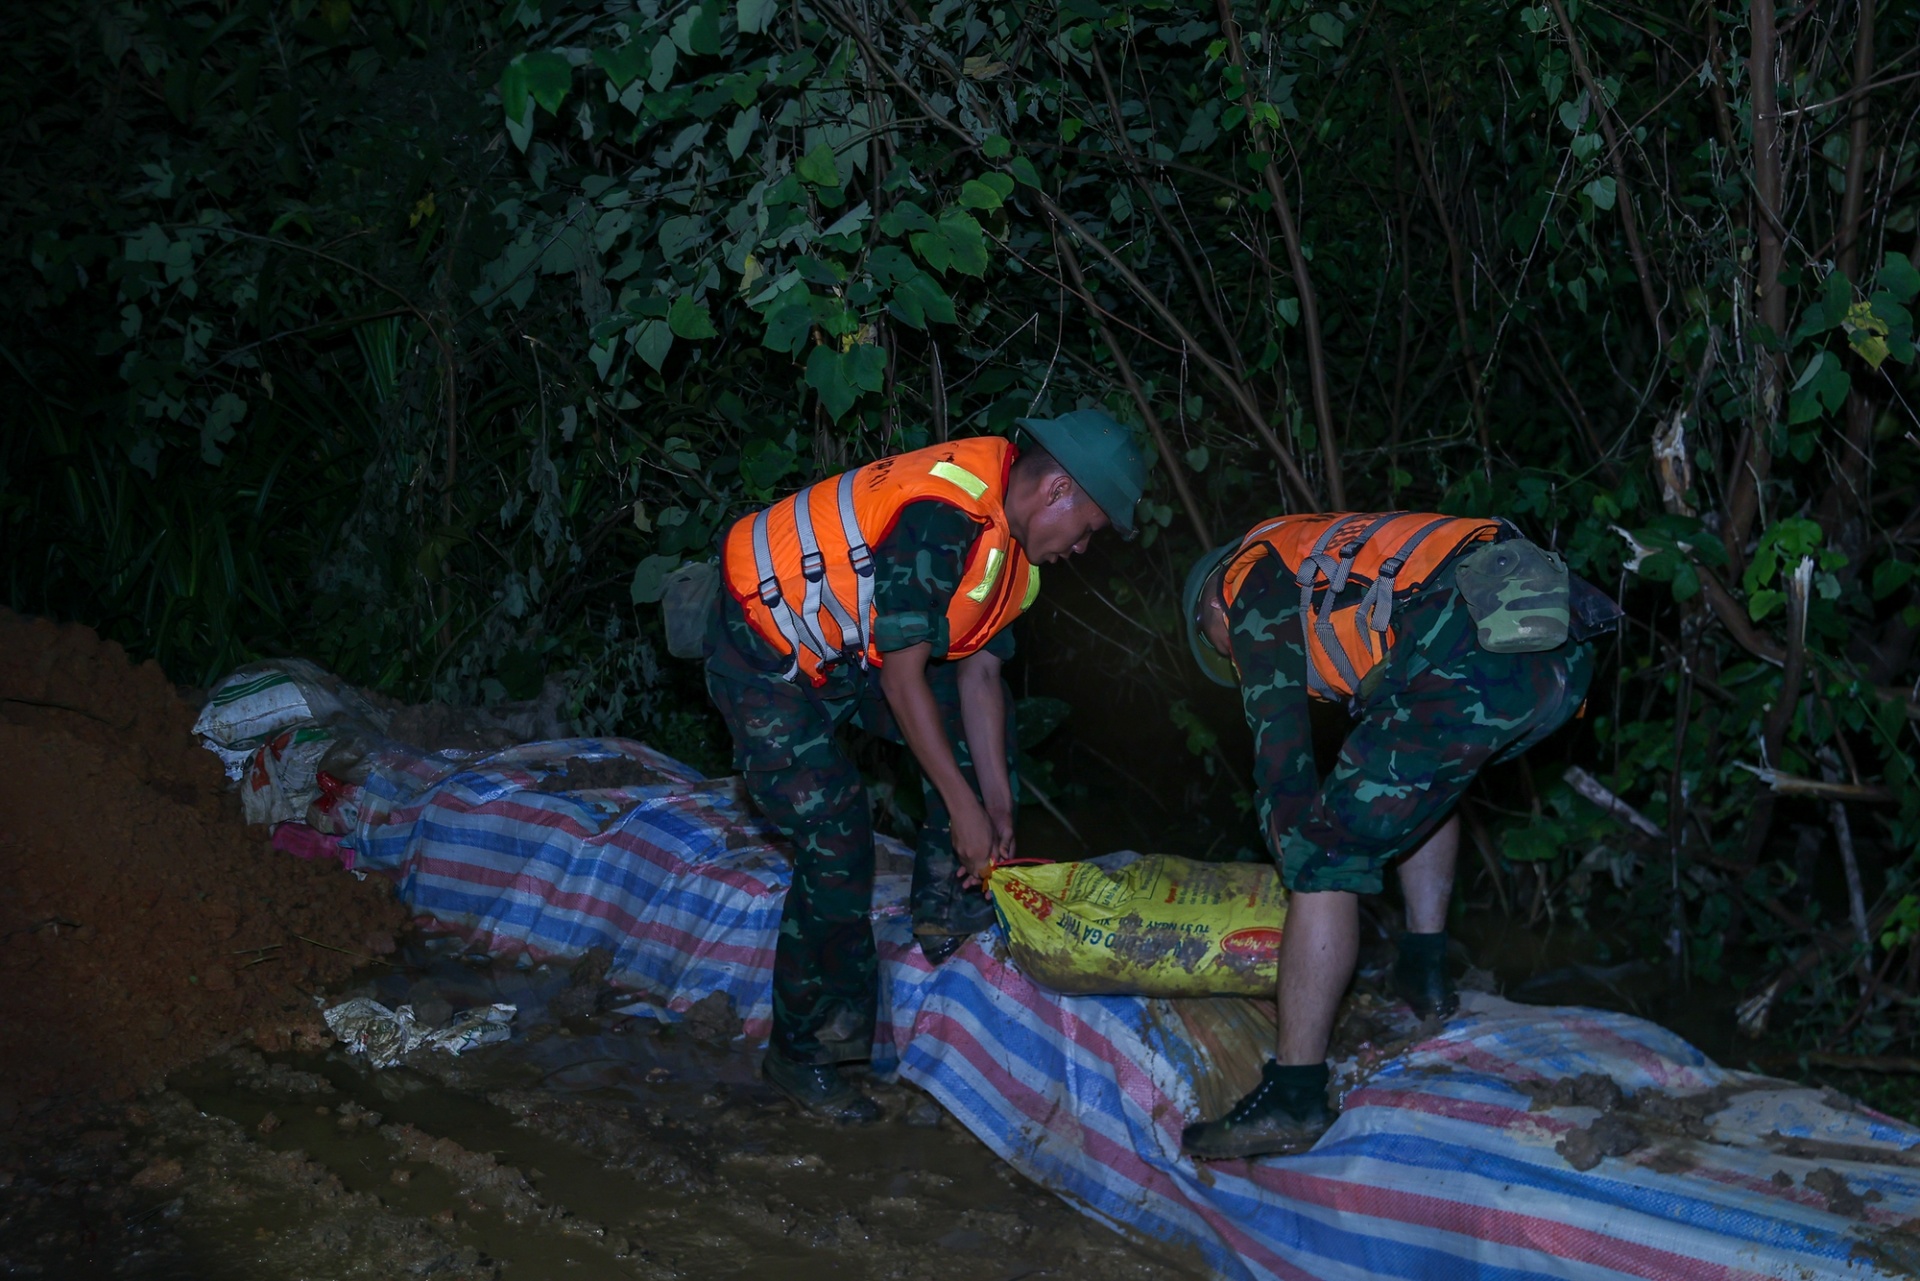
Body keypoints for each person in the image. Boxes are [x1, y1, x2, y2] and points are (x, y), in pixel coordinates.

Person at [707, 410, 1147, 1122]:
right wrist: (963, 807)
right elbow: (902, 680)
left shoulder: (1013, 557)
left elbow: (976, 677)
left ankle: (947, 902)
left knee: (977, 720)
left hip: (843, 655)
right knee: (836, 838)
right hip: (766, 651)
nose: (1083, 547)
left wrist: (997, 803)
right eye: (1090, 527)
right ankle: (804, 1048)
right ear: (1057, 489)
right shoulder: (945, 514)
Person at [1176, 512, 1614, 1159]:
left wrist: (1301, 856)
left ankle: (1294, 1095)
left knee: (1324, 847)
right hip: (1558, 652)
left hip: (1471, 642)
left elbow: (1281, 757)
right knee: (1421, 782)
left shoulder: (1249, 582)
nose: (1232, 660)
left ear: (1210, 607)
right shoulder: (1328, 562)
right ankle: (1424, 972)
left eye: (1220, 649)